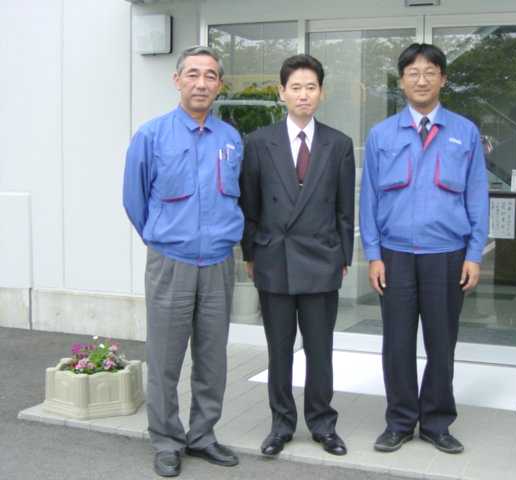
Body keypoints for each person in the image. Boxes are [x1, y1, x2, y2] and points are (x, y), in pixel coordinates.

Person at [360, 43, 489, 455]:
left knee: (441, 343)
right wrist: (373, 254)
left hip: (447, 255)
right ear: (401, 81)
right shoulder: (382, 135)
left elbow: (477, 195)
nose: (421, 79)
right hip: (395, 255)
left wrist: (474, 254)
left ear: (443, 79)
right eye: (412, 73)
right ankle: (399, 422)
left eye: (430, 72)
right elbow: (368, 200)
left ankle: (436, 422)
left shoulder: (465, 132)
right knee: (397, 343)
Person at [123, 46, 242, 477]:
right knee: (165, 359)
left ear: (219, 85)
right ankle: (166, 440)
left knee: (212, 358)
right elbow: (134, 200)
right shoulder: (151, 136)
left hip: (218, 264)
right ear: (177, 81)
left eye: (210, 75)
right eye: (192, 74)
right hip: (170, 262)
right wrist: (163, 238)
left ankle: (203, 435)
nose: (201, 83)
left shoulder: (231, 139)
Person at [240, 54, 355, 457]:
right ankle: (281, 424)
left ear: (321, 93)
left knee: (320, 351)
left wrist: (344, 255)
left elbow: (345, 209)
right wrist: (250, 253)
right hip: (275, 260)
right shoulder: (258, 142)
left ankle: (323, 424)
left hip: (322, 260)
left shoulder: (339, 144)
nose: (303, 95)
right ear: (281, 92)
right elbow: (249, 205)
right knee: (279, 350)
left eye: (311, 87)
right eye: (296, 87)